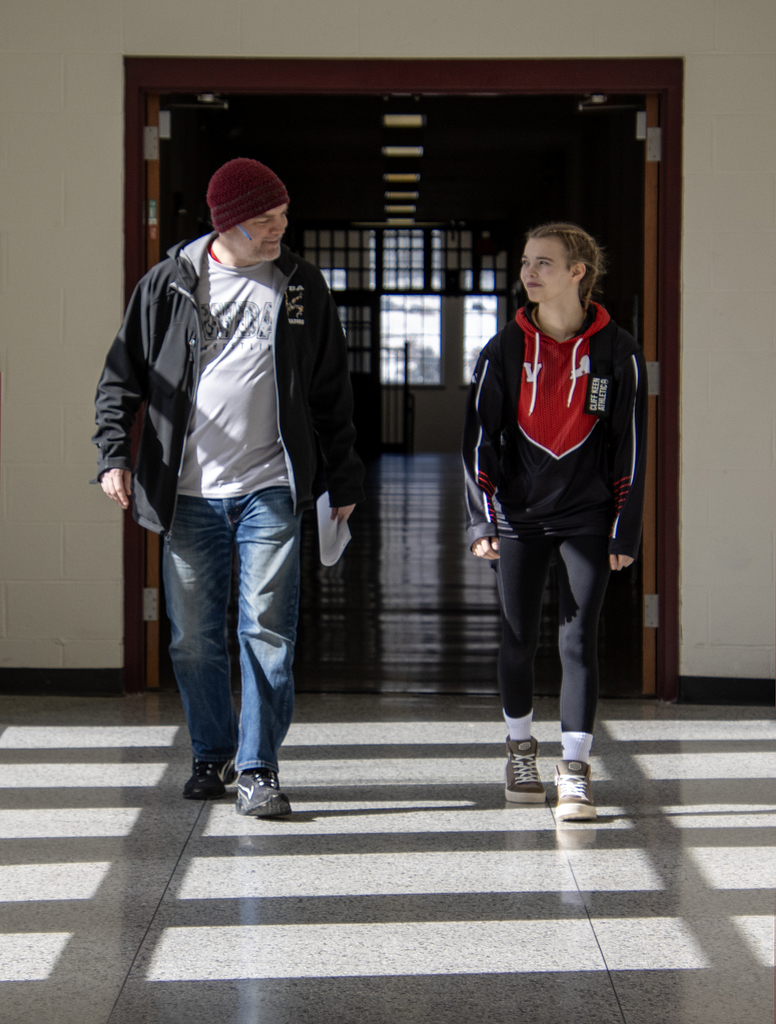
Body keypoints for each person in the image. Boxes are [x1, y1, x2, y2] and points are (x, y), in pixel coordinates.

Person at [94, 158, 365, 818]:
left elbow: (331, 390)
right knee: (191, 636)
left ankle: (257, 768)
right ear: (227, 224)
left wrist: (342, 476)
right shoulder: (168, 286)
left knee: (266, 628)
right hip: (187, 492)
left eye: (283, 217)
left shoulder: (300, 286)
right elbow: (120, 377)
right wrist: (112, 456)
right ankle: (211, 753)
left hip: (270, 484)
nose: (280, 231)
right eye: (265, 222)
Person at [462, 222, 647, 821]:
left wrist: (626, 527)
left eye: (543, 262)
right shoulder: (504, 349)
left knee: (577, 640)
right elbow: (479, 442)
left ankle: (574, 770)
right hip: (518, 517)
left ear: (578, 272)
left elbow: (630, 445)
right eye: (525, 263)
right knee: (518, 638)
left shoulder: (616, 351)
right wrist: (480, 518)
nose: (529, 273)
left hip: (588, 517)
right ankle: (520, 751)